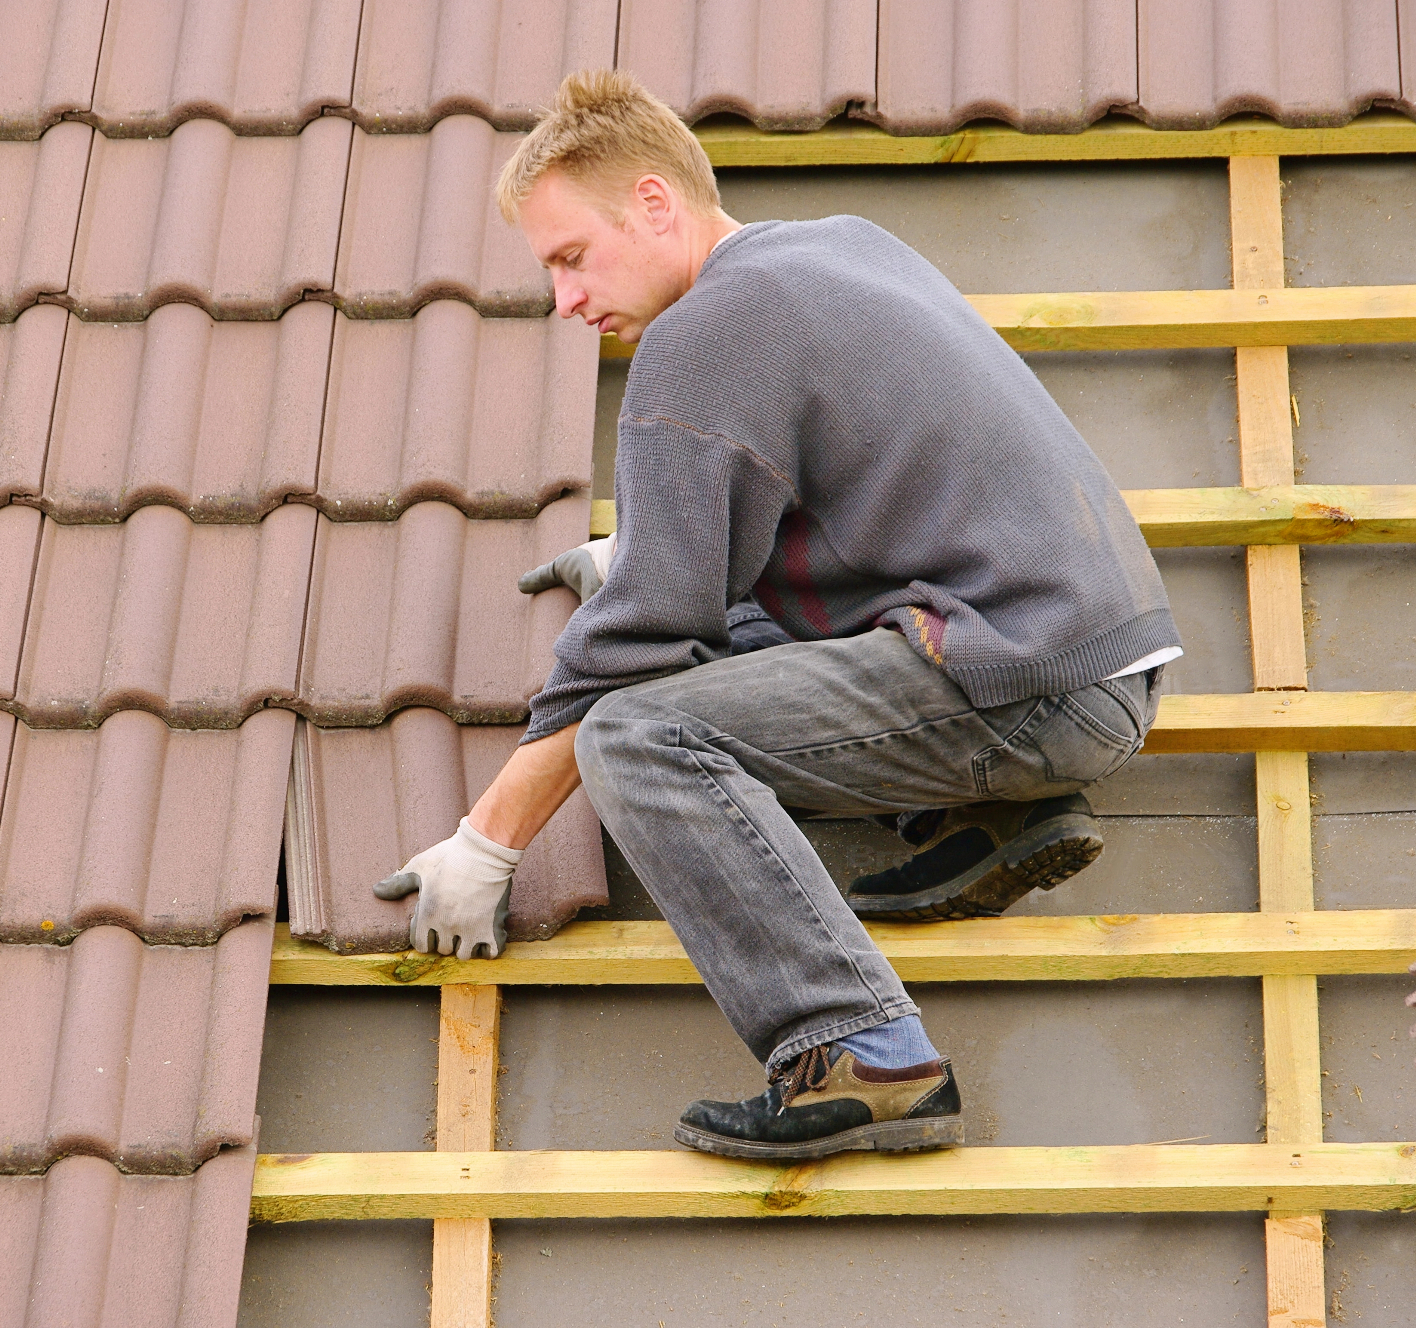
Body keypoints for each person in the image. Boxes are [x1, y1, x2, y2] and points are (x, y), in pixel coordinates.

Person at [371, 70, 1181, 1162]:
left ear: (654, 205)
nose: (564, 301)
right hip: (1090, 656)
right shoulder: (839, 246)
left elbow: (642, 642)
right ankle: (983, 822)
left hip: (1023, 683)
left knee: (640, 733)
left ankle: (861, 1053)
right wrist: (655, 541)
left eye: (569, 258)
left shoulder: (704, 333)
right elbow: (862, 482)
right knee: (727, 643)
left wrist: (489, 840)